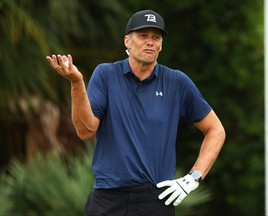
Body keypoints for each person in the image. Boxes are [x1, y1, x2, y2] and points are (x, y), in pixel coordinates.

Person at [46, 9, 225, 216]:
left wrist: (193, 178)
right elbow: (86, 131)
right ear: (127, 42)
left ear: (161, 45)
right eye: (143, 36)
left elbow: (216, 130)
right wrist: (77, 83)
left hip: (155, 200)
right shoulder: (105, 75)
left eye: (155, 37)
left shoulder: (177, 82)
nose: (150, 42)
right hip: (107, 199)